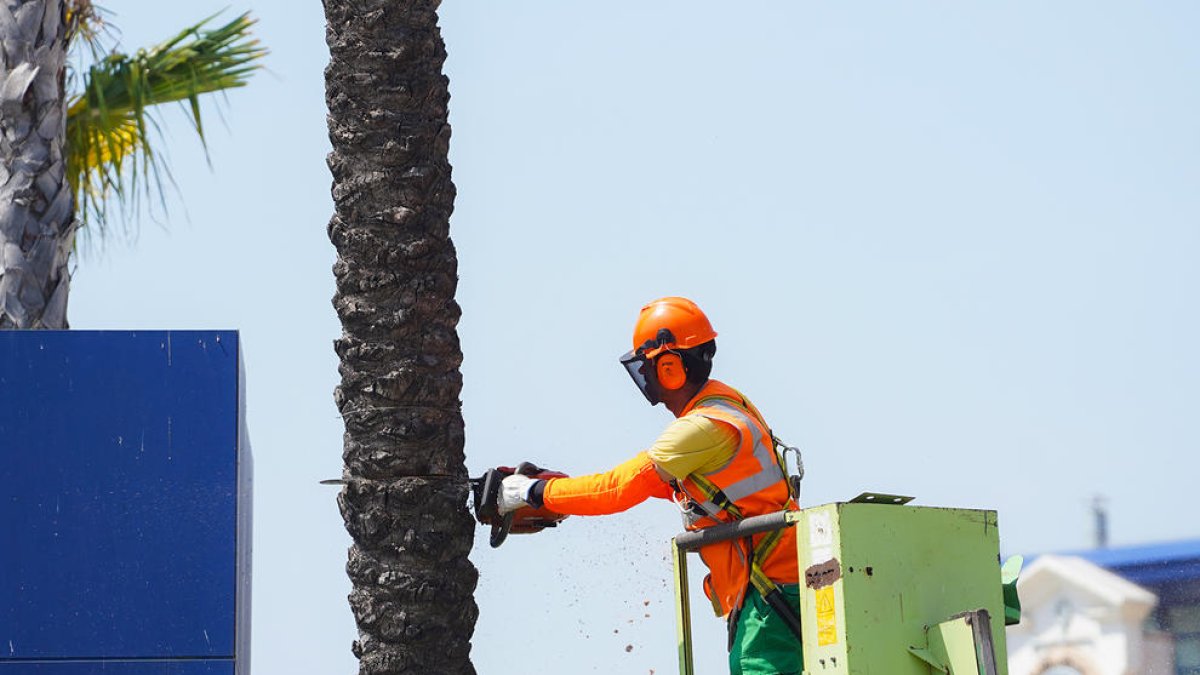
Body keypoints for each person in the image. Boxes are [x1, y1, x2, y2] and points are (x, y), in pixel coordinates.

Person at [498, 296, 803, 675]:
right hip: (774, 586)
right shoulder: (727, 402)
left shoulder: (699, 428)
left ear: (670, 366)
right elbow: (690, 492)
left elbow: (619, 488)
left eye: (647, 366)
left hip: (768, 591)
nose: (644, 377)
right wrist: (566, 494)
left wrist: (529, 492)